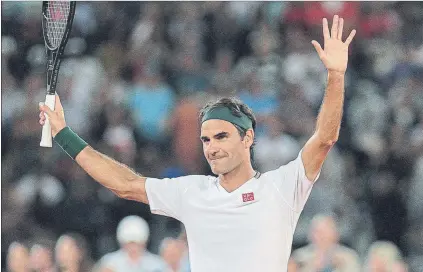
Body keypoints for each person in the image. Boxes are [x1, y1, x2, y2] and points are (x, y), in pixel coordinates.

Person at [38, 15, 356, 272]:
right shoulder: (193, 192)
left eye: (221, 136)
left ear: (248, 138)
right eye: (205, 139)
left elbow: (325, 139)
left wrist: (336, 75)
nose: (211, 147)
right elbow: (125, 184)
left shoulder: (282, 186)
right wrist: (64, 133)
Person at [291, 214, 361, 272]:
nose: (319, 237)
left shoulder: (349, 257)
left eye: (323, 233)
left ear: (335, 234)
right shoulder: (300, 257)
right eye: (316, 232)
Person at [98, 215, 170, 272]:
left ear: (144, 243)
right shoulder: (110, 263)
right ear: (122, 243)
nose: (133, 248)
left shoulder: (156, 264)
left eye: (137, 244)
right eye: (130, 244)